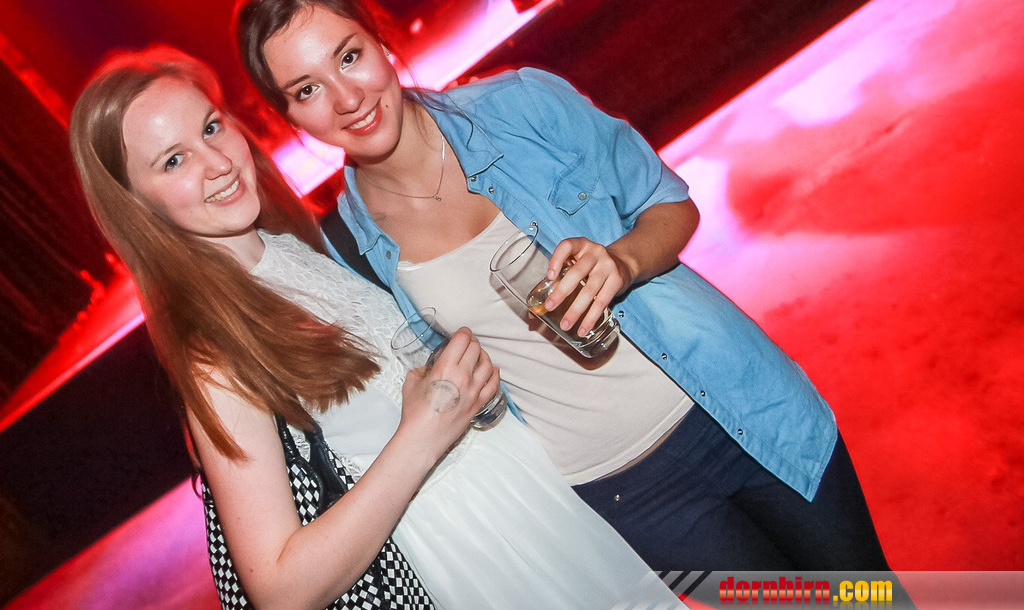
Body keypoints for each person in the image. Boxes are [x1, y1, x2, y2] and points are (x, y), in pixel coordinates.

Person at [233, 0, 894, 573]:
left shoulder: (522, 105)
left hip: (735, 405)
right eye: (307, 90)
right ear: (287, 117)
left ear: (379, 39)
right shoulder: (350, 249)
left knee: (869, 595)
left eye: (349, 56)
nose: (346, 98)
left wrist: (623, 260)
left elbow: (670, 205)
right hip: (626, 496)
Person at [67, 46, 686, 609]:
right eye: (174, 161)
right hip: (485, 558)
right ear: (135, 204)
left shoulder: (292, 249)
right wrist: (424, 431)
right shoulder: (214, 356)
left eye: (210, 128)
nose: (217, 163)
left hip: (539, 507)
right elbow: (280, 590)